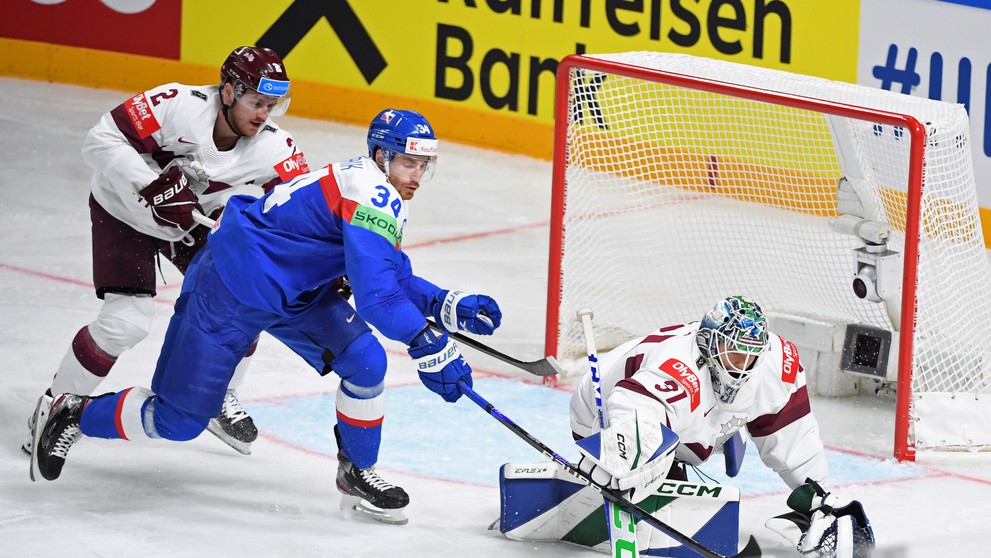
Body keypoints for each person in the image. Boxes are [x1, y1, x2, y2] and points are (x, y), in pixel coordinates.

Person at [29, 108, 502, 527]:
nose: (416, 175)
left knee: (366, 362)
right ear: (381, 156)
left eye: (423, 166)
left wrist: (443, 303)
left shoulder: (373, 187)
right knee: (178, 421)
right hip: (230, 287)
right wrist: (428, 343)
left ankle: (356, 470)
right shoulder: (369, 192)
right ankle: (73, 412)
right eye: (408, 163)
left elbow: (385, 273)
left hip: (294, 291)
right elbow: (378, 299)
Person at [22, 46, 309, 457]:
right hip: (122, 212)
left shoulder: (275, 147)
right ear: (228, 91)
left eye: (271, 105)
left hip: (190, 226)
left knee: (246, 303)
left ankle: (216, 395)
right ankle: (53, 408)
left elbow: (300, 211)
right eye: (256, 102)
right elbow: (99, 140)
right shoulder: (176, 104)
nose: (264, 114)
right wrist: (151, 185)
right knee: (124, 324)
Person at [499, 295, 874, 556]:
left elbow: (792, 433)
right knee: (651, 456)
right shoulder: (679, 371)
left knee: (712, 420)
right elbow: (634, 406)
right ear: (709, 343)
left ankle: (709, 439)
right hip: (601, 411)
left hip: (691, 416)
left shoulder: (774, 361)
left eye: (750, 354)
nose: (742, 364)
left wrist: (818, 495)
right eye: (734, 352)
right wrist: (625, 458)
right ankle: (660, 461)